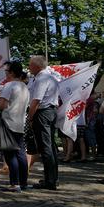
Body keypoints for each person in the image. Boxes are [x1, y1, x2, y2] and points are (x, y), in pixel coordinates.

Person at [0, 61, 30, 192]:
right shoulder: (24, 87)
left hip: (8, 122)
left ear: (11, 72)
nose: (5, 73)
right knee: (21, 153)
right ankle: (24, 182)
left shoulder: (9, 85)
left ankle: (14, 183)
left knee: (10, 155)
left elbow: (2, 105)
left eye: (6, 71)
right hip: (20, 123)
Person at [27, 55, 60, 190]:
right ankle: (52, 177)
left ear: (37, 66)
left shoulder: (42, 78)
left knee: (46, 147)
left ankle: (50, 180)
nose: (29, 67)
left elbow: (36, 100)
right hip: (50, 111)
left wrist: (29, 117)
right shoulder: (51, 77)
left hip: (43, 113)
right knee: (50, 146)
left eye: (30, 65)